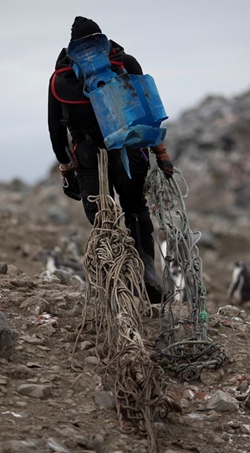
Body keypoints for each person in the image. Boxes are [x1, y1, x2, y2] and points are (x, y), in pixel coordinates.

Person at [47, 16, 173, 303]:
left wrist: (66, 169)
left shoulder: (59, 79)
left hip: (88, 155)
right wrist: (161, 154)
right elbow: (148, 111)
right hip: (128, 149)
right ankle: (146, 271)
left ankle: (116, 278)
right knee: (136, 207)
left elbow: (55, 129)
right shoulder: (125, 64)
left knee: (101, 214)